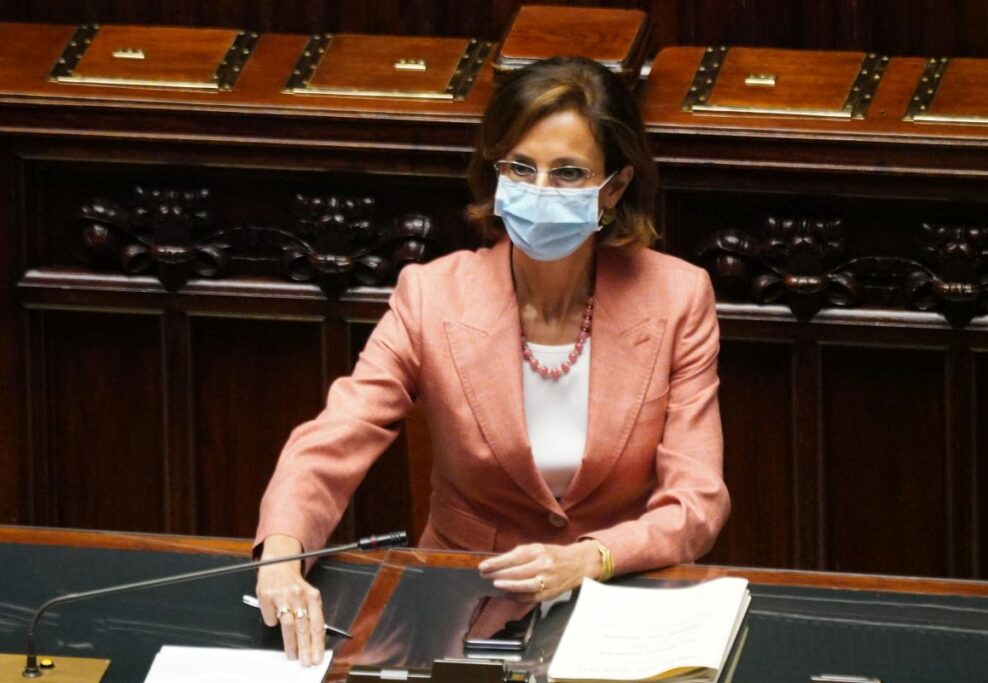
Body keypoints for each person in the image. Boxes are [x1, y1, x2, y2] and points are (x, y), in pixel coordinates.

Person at [253, 57, 729, 666]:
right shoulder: (432, 295)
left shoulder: (676, 297)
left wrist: (591, 557)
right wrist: (283, 555)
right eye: (521, 168)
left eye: (568, 173)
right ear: (497, 173)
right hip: (459, 604)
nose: (540, 190)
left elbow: (697, 499)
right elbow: (333, 440)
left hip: (619, 602)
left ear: (613, 189)